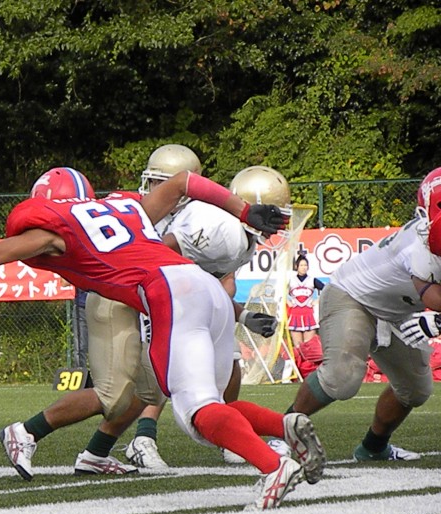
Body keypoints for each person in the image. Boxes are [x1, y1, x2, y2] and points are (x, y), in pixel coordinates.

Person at [0, 166, 325, 510]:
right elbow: (183, 181)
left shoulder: (50, 231)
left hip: (168, 293)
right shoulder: (123, 209)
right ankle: (284, 427)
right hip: (206, 290)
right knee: (211, 402)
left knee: (197, 412)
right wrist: (243, 211)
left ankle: (273, 466)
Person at [123, 163, 292, 468]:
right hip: (162, 295)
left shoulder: (241, 238)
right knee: (167, 374)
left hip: (190, 300)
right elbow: (157, 256)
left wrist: (242, 316)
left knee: (229, 361)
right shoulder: (219, 227)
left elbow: (216, 286)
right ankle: (142, 438)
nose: (278, 223)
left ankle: (231, 434)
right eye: (273, 214)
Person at [286, 166, 441, 461]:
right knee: (342, 377)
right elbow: (434, 298)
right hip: (353, 296)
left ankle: (373, 448)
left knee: (415, 391)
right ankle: (280, 432)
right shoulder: (419, 245)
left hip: (398, 311)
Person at [287, 253, 325, 346]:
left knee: (308, 346)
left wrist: (317, 300)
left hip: (309, 315)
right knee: (298, 346)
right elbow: (279, 293)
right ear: (296, 267)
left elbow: (327, 289)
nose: (304, 267)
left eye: (305, 265)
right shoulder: (291, 280)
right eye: (301, 265)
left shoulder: (312, 280)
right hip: (295, 315)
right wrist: (288, 302)